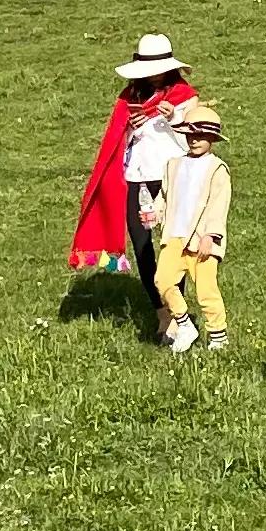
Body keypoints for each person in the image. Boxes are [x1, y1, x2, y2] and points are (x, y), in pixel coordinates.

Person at [69, 34, 196, 320]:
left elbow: (195, 137)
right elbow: (118, 141)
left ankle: (179, 311)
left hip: (169, 176)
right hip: (137, 177)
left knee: (172, 244)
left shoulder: (184, 96)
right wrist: (131, 124)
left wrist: (173, 117)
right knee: (141, 245)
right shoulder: (130, 97)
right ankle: (161, 310)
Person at [152, 104, 232, 356]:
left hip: (202, 240)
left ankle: (218, 336)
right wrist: (154, 213)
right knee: (161, 281)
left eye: (202, 136)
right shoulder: (173, 164)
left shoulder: (217, 168)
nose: (195, 140)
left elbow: (219, 205)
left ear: (212, 139)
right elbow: (164, 196)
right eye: (190, 134)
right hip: (174, 235)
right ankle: (184, 324)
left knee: (206, 289)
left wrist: (212, 235)